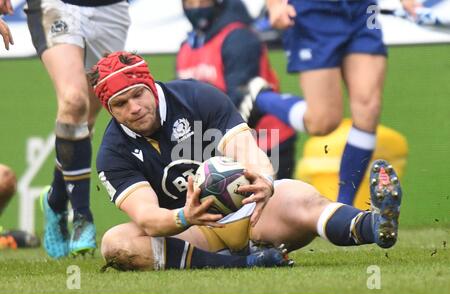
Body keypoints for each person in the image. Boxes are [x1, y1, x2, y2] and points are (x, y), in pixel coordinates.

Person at [91, 51, 402, 271]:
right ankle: (244, 263)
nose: (133, 108)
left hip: (251, 214)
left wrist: (264, 178)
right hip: (191, 233)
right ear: (109, 109)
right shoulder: (112, 152)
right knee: (116, 244)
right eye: (120, 104)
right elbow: (147, 217)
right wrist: (185, 216)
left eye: (138, 95)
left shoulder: (197, 97)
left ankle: (375, 225)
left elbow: (245, 147)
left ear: (150, 86)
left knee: (299, 194)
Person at [237, 0, 387, 207]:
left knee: (368, 108)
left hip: (360, 9)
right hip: (313, 11)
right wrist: (274, 5)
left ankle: (344, 207)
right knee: (322, 123)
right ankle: (262, 99)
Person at [16, 0, 131, 258]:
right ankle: (82, 216)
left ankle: (55, 201)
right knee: (73, 100)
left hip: (110, 9)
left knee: (83, 123)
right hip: (56, 5)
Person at [176, 0, 297, 179]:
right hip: (219, 143)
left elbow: (240, 96)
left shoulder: (239, 38)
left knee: (271, 204)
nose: (196, 8)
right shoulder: (186, 46)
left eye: (202, 2)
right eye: (190, 3)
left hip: (265, 141)